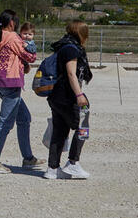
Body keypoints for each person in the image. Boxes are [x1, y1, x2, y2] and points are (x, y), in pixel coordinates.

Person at [0, 9, 44, 174]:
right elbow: (30, 57)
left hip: (0, 83)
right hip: (11, 83)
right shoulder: (12, 37)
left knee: (24, 118)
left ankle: (28, 158)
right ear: (12, 22)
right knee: (4, 123)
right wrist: (30, 51)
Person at [44, 21, 93, 179]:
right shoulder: (72, 49)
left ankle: (52, 168)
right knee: (83, 127)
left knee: (59, 131)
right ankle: (73, 163)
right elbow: (72, 74)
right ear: (82, 34)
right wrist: (79, 95)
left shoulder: (62, 46)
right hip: (68, 96)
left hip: (55, 97)